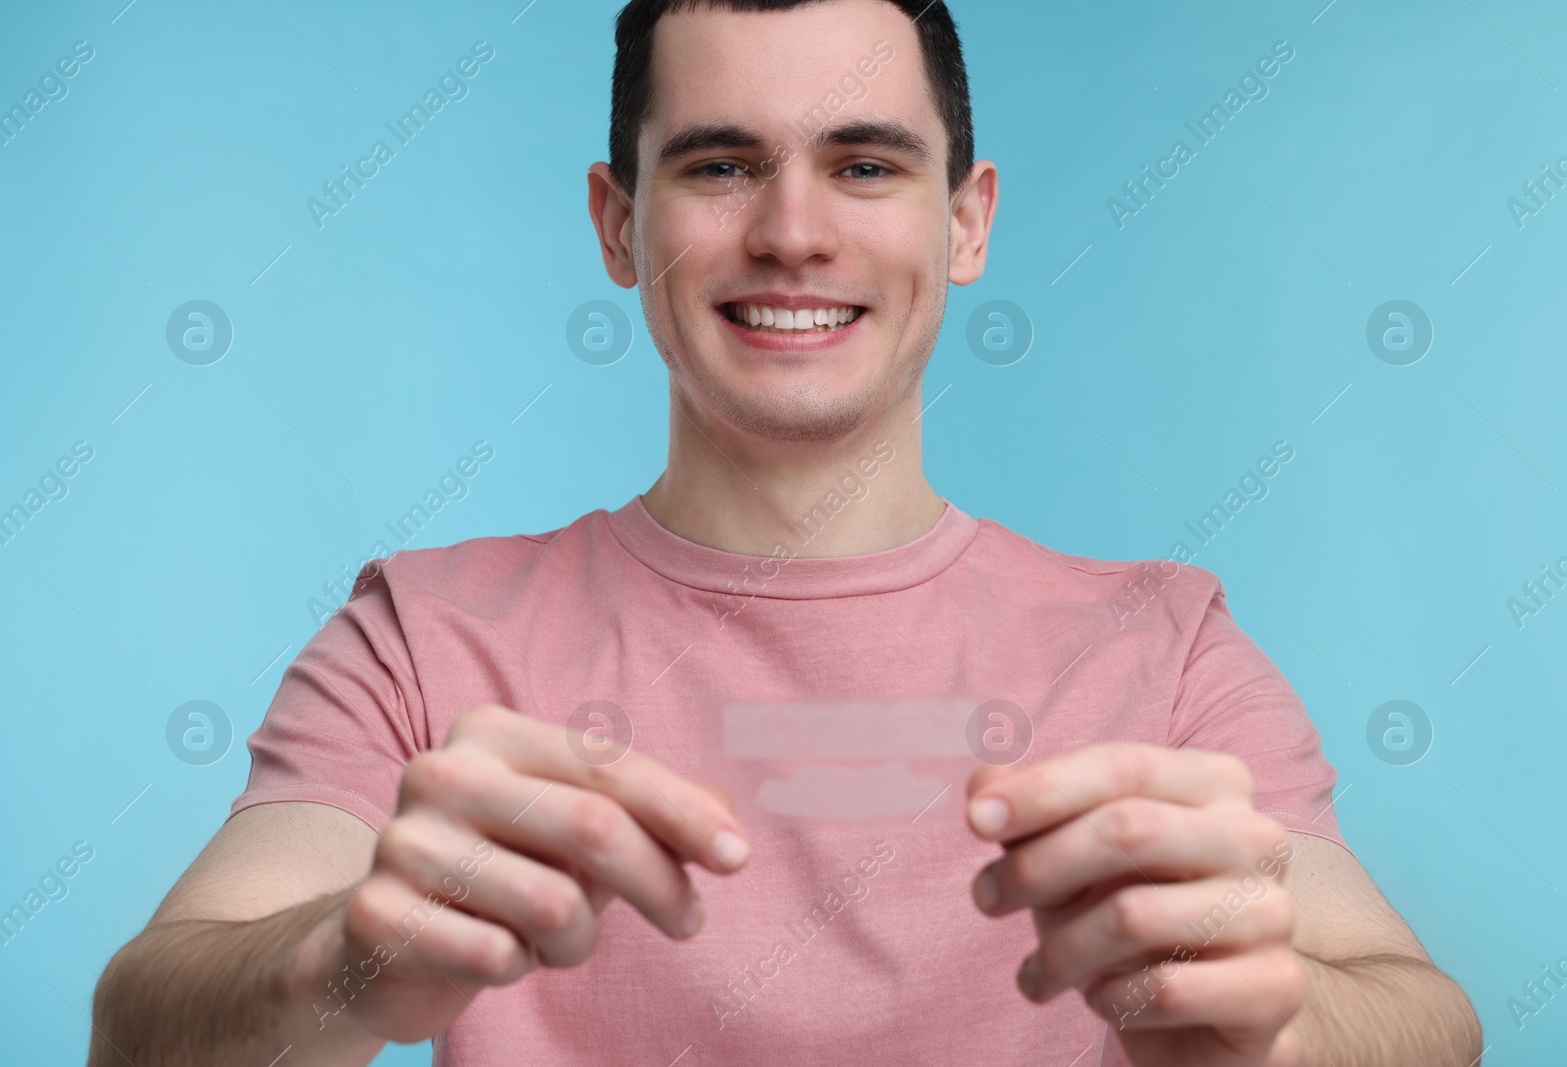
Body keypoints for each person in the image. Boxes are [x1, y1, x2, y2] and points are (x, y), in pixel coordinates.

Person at [90, 1, 1481, 1063]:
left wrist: (1285, 1035)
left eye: (866, 165)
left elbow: (1428, 1021)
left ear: (968, 220)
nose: (794, 232)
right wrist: (342, 960)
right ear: (617, 223)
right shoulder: (425, 635)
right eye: (722, 167)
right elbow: (136, 1029)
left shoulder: (1164, 648)